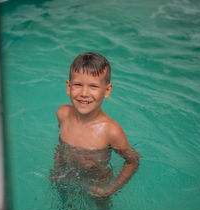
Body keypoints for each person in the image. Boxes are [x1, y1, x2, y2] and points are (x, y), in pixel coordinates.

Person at [51, 51, 140, 198]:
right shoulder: (63, 114)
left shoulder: (111, 131)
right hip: (67, 175)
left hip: (97, 184)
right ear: (69, 86)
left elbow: (132, 162)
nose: (84, 93)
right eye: (78, 85)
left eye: (93, 86)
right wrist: (57, 170)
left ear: (107, 90)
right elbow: (61, 145)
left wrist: (110, 189)